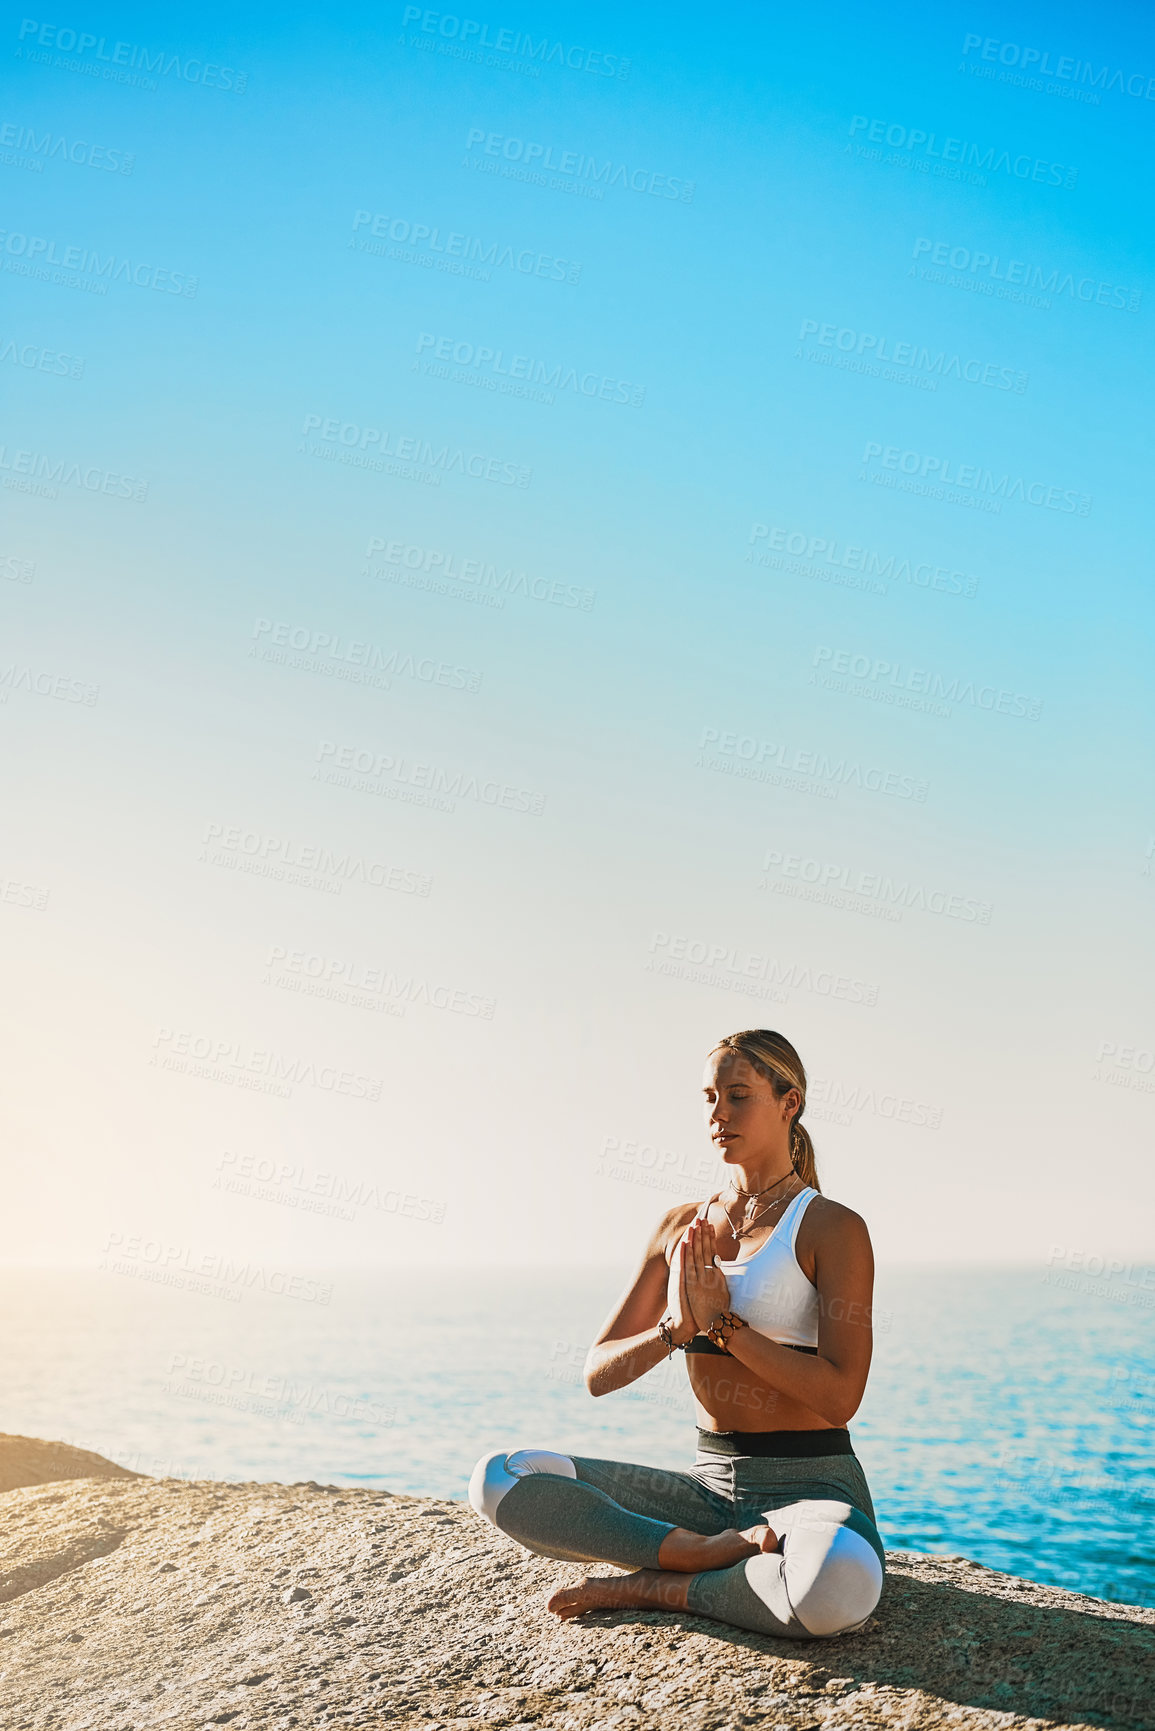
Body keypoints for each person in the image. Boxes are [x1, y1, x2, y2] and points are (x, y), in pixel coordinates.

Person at [469, 1029, 885, 1639]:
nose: (718, 1115)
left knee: (836, 1582)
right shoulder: (680, 1226)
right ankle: (691, 1552)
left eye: (738, 1096)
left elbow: (840, 1395)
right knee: (502, 1477)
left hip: (813, 1488)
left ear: (789, 1102)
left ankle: (656, 1584)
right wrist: (674, 1330)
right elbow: (598, 1372)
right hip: (704, 1492)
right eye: (710, 1098)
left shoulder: (832, 1228)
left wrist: (724, 1327)